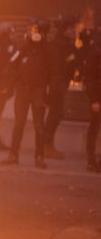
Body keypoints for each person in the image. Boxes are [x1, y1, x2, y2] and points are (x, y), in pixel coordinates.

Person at [3, 18, 51, 169]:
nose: (33, 33)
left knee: (39, 126)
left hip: (39, 92)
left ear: (43, 33)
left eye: (36, 30)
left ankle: (39, 157)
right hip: (23, 90)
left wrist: (47, 95)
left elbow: (54, 73)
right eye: (32, 30)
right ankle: (13, 155)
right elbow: (11, 64)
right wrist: (13, 82)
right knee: (19, 124)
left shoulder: (48, 50)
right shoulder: (24, 47)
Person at [41, 14, 80, 160]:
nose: (74, 31)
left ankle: (47, 145)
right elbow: (70, 61)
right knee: (55, 115)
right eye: (71, 28)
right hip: (59, 83)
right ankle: (47, 147)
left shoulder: (54, 43)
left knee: (54, 114)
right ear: (65, 29)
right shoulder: (66, 45)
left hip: (53, 82)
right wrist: (76, 55)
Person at [82, 28, 100, 173]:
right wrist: (94, 100)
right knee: (94, 129)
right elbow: (89, 78)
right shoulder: (95, 53)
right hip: (98, 98)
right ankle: (91, 161)